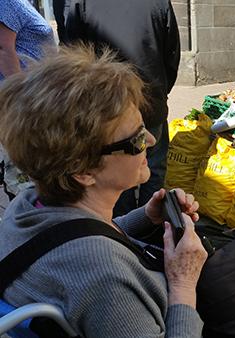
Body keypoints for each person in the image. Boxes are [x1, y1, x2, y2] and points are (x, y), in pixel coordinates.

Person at [0, 46, 207, 337]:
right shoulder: (105, 279)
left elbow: (70, 236)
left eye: (143, 126)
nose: (149, 140)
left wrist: (145, 218)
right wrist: (184, 285)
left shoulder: (26, 204)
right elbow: (91, 260)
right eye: (134, 140)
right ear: (83, 171)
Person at [54, 0, 181, 217]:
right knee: (152, 170)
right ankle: (148, 227)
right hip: (148, 103)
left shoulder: (79, 3)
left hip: (107, 113)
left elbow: (72, 58)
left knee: (119, 178)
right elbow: (172, 54)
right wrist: (160, 92)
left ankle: (127, 226)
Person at [0, 0, 55, 200]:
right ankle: (30, 220)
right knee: (28, 169)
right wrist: (23, 97)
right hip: (24, 100)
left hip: (33, 95)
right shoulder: (6, 2)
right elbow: (3, 50)